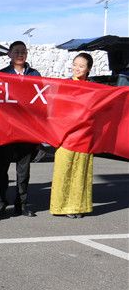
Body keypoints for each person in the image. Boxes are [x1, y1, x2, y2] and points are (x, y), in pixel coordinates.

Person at [0, 41, 41, 217]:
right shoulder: (1, 74)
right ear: (9, 54)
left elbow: (40, 102)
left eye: (23, 51)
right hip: (6, 129)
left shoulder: (34, 74)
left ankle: (21, 204)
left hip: (27, 129)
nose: (20, 54)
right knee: (1, 168)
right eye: (16, 51)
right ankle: (0, 202)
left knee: (23, 169)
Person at [50, 53, 95, 218]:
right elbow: (55, 110)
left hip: (85, 135)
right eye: (75, 64)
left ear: (88, 69)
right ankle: (61, 206)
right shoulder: (65, 85)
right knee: (64, 170)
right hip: (66, 134)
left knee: (80, 172)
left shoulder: (94, 88)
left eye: (81, 66)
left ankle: (77, 206)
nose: (77, 68)